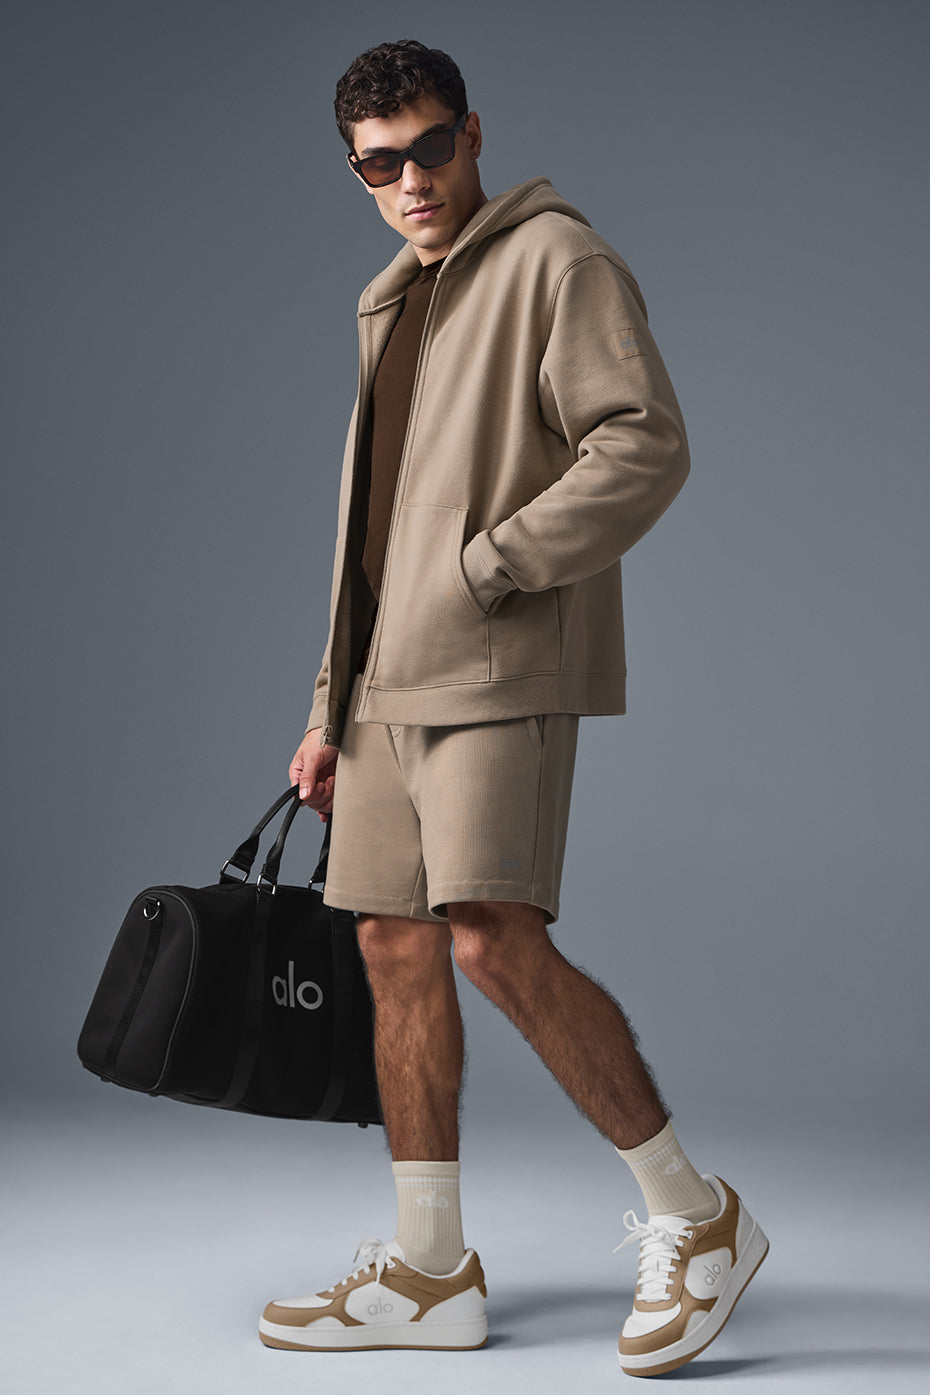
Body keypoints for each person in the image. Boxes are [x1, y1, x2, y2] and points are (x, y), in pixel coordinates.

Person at [260, 40, 767, 1376]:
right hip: (382, 689)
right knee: (393, 947)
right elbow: (367, 536)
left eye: (432, 148)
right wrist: (327, 706)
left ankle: (696, 1218)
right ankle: (431, 1271)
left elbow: (643, 442)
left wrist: (493, 567)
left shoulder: (558, 260)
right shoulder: (389, 301)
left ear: (474, 134)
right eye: (381, 165)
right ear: (356, 173)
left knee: (488, 937)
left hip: (491, 665)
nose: (413, 181)